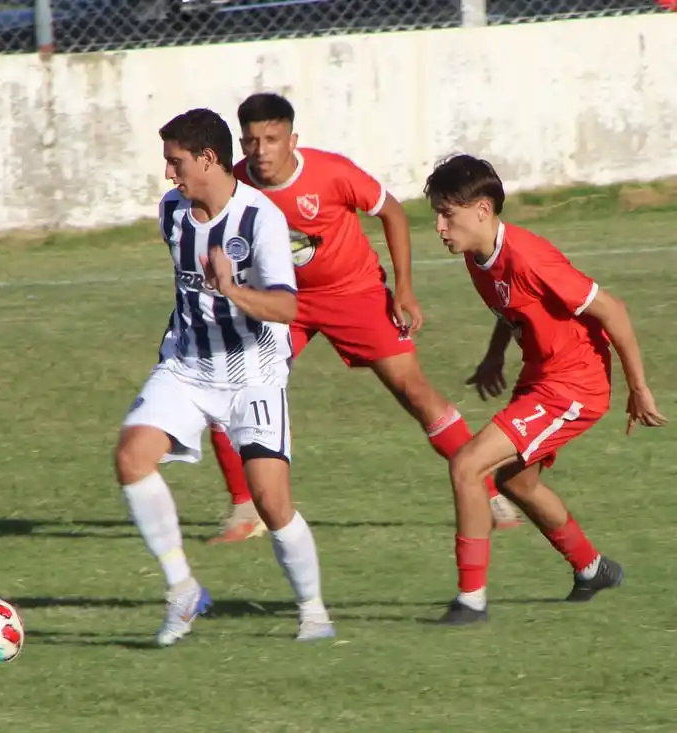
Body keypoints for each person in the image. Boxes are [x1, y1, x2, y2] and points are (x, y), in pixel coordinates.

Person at [203, 92, 522, 544]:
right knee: (229, 388)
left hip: (354, 295)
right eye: (252, 141)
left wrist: (404, 289)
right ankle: (245, 509)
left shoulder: (331, 173)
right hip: (282, 303)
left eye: (272, 139)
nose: (261, 151)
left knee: (414, 392)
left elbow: (391, 212)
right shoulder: (235, 185)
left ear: (292, 140)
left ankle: (489, 493)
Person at [115, 107, 335, 646]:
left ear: (208, 159)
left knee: (271, 501)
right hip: (188, 365)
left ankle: (313, 612)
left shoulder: (261, 219)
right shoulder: (172, 211)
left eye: (176, 162)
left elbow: (286, 308)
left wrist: (232, 288)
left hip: (253, 373)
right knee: (131, 456)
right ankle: (182, 591)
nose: (169, 174)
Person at [423, 154, 667, 625]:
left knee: (468, 465)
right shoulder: (478, 256)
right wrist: (496, 354)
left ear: (482, 210)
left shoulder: (530, 256)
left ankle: (470, 601)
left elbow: (613, 310)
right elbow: (512, 308)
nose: (438, 226)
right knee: (516, 481)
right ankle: (592, 569)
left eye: (446, 214)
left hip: (575, 383)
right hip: (541, 376)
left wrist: (640, 388)